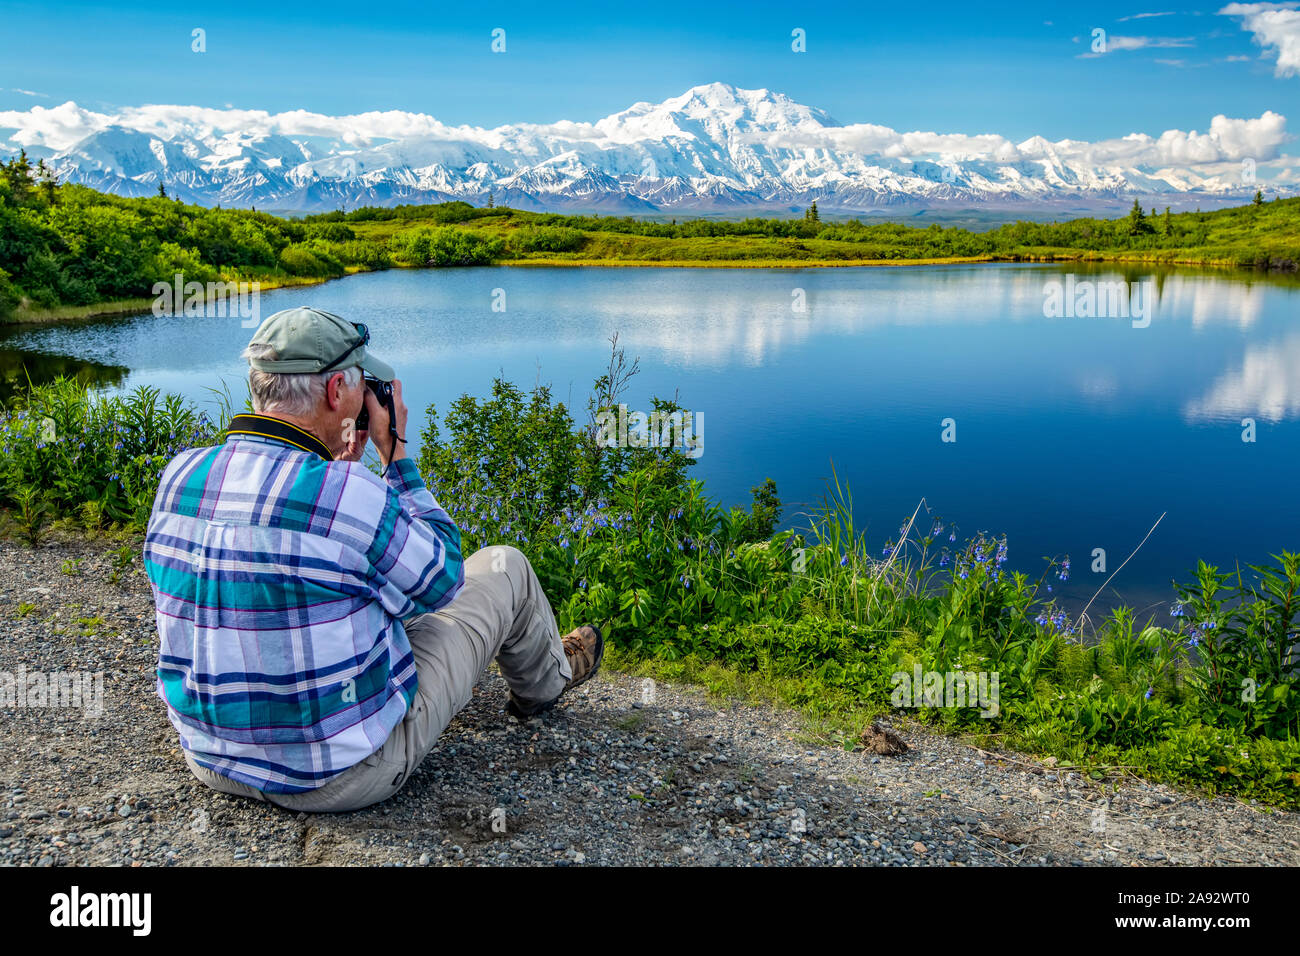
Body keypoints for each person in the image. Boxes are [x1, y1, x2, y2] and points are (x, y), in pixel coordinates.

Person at [143, 306, 603, 813]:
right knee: (504, 565)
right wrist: (395, 457)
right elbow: (443, 579)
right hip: (341, 778)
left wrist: (340, 466)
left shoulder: (180, 476)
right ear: (337, 389)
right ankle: (547, 685)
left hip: (213, 760)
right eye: (362, 385)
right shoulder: (349, 496)